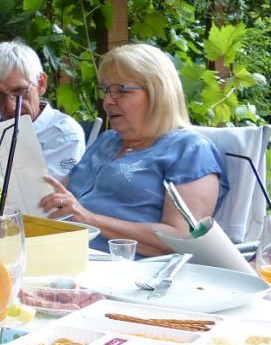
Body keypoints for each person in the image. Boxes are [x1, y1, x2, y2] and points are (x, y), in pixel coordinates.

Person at [40, 43, 228, 256]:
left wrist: (90, 219)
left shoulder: (190, 150)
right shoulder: (108, 141)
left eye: (121, 90)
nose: (107, 101)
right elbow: (60, 197)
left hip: (131, 275)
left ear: (158, 91)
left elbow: (182, 238)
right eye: (105, 91)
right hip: (62, 256)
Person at [0, 40, 85, 178]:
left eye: (19, 92)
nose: (11, 106)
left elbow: (45, 194)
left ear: (41, 83)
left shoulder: (63, 136)